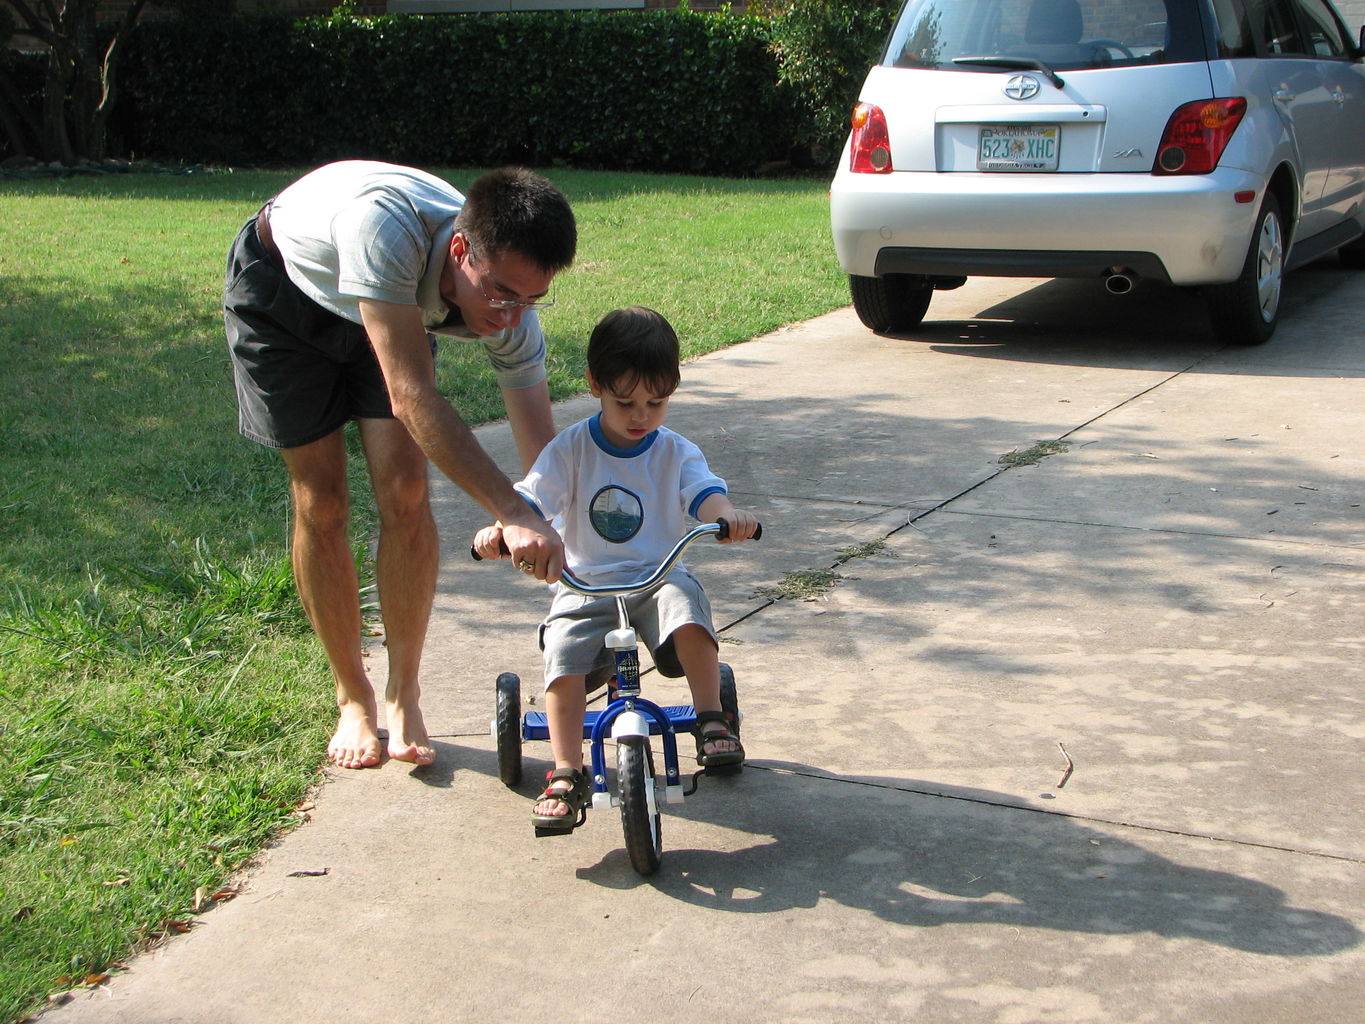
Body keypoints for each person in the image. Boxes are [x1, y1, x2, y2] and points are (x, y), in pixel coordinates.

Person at [223, 161, 574, 771]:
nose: (513, 314)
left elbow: (541, 446)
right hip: (284, 298)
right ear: (460, 249)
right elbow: (409, 396)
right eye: (501, 294)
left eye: (532, 299)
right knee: (323, 500)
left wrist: (554, 524)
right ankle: (353, 698)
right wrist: (510, 510)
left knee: (407, 489)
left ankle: (403, 689)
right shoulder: (386, 229)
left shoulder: (509, 302)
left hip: (391, 306)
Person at [473, 306, 760, 832]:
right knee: (561, 654)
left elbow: (705, 496)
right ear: (594, 385)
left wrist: (728, 517)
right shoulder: (570, 450)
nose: (641, 416)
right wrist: (502, 529)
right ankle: (566, 771)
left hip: (656, 575)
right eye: (624, 402)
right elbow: (530, 503)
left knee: (688, 606)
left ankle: (711, 717)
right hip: (585, 584)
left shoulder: (676, 452)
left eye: (656, 402)